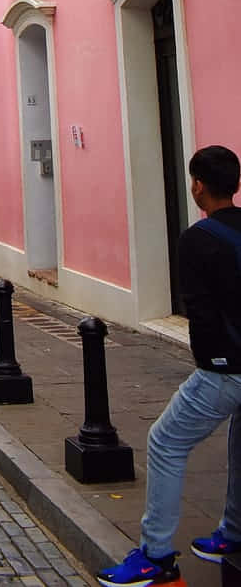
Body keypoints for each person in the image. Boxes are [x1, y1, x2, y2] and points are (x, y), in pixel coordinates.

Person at [97, 145, 241, 586]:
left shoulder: (196, 238)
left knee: (165, 441)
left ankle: (156, 557)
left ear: (198, 185)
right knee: (239, 444)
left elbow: (199, 310)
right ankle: (233, 534)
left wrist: (211, 363)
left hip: (225, 368)